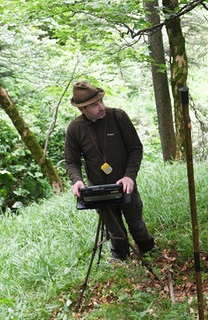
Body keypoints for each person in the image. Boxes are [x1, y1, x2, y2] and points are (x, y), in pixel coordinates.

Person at [65, 80, 155, 261]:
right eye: (94, 105)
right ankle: (120, 258)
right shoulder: (75, 129)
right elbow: (71, 161)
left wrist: (129, 176)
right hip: (98, 190)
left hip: (125, 185)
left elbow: (135, 149)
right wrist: (77, 180)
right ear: (82, 109)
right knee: (114, 229)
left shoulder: (118, 117)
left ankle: (148, 250)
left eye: (101, 101)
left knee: (136, 224)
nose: (101, 107)